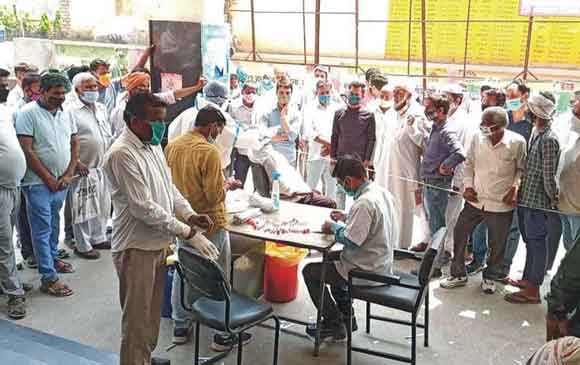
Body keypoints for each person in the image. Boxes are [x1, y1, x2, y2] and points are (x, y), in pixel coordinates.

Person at [103, 91, 213, 365]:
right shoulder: (121, 154)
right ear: (135, 120)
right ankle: (134, 360)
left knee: (151, 316)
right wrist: (186, 232)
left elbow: (169, 188)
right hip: (136, 247)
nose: (161, 126)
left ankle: (143, 359)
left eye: (163, 120)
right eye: (156, 121)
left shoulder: (151, 145)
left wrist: (190, 215)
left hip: (158, 245)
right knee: (137, 322)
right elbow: (143, 207)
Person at [166, 105, 252, 351]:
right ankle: (221, 334)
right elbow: (214, 196)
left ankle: (180, 326)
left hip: (183, 223)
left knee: (185, 272)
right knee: (218, 277)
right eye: (219, 129)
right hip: (210, 223)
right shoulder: (209, 151)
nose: (218, 134)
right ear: (212, 125)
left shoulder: (172, 145)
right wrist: (227, 185)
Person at [302, 155, 397, 341]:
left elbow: (352, 240)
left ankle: (333, 323)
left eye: (340, 183)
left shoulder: (364, 203)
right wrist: (347, 217)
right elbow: (370, 222)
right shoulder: (379, 192)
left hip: (367, 269)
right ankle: (347, 317)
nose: (341, 187)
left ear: (348, 180)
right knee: (329, 259)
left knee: (310, 271)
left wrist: (333, 227)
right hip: (379, 260)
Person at [439, 107, 526, 294]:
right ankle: (458, 274)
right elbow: (469, 164)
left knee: (498, 244)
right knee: (460, 231)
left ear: (501, 127)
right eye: (483, 126)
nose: (485, 130)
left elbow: (521, 169)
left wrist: (515, 187)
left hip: (500, 204)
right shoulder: (477, 138)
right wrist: (468, 186)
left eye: (489, 127)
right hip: (475, 200)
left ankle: (490, 277)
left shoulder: (517, 142)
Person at [15, 73, 78, 297]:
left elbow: (73, 143)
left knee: (54, 223)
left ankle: (51, 259)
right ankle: (48, 277)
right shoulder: (27, 114)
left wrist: (69, 173)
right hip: (37, 184)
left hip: (62, 182)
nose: (60, 97)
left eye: (63, 93)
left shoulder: (66, 112)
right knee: (41, 230)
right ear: (42, 91)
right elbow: (27, 150)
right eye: (56, 93)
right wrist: (48, 178)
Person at [505, 92, 560, 304]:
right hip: (527, 200)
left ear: (536, 111)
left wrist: (552, 201)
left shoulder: (549, 140)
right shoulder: (538, 132)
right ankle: (527, 280)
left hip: (537, 203)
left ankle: (533, 290)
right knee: (530, 242)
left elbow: (549, 178)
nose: (526, 110)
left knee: (537, 244)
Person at [65, 72, 113, 259]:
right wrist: (76, 162)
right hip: (83, 169)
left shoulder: (101, 108)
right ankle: (83, 245)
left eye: (95, 86)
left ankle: (98, 238)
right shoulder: (70, 110)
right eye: (88, 87)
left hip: (101, 166)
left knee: (102, 205)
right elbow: (65, 138)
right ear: (77, 90)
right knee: (83, 209)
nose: (93, 90)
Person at [418, 93, 466, 267]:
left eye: (429, 107)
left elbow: (460, 153)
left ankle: (434, 265)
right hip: (430, 183)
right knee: (434, 225)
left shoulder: (446, 131)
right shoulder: (435, 128)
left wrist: (446, 165)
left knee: (437, 227)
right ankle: (433, 261)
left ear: (440, 110)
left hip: (438, 185)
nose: (426, 110)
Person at [385, 82, 427, 249]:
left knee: (406, 208)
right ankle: (394, 241)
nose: (395, 95)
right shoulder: (394, 113)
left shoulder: (416, 114)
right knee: (393, 205)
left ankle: (402, 245)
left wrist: (411, 127)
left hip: (407, 170)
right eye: (394, 92)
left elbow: (423, 142)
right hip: (391, 169)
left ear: (409, 95)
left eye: (400, 92)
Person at [109, 71, 207, 139]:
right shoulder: (121, 110)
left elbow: (173, 95)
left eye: (147, 86)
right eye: (142, 86)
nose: (145, 89)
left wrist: (196, 87)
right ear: (131, 88)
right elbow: (120, 134)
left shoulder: (148, 100)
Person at [0, 87, 28, 319]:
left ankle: (8, 281)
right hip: (1, 188)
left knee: (7, 239)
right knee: (3, 244)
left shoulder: (4, 111)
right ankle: (13, 293)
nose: (5, 86)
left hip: (14, 185)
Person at [330, 80, 376, 209]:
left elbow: (371, 139)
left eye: (357, 95)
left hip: (358, 162)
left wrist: (367, 160)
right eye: (351, 93)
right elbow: (334, 135)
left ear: (362, 96)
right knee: (340, 190)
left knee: (358, 190)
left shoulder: (369, 115)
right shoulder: (339, 113)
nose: (353, 97)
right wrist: (333, 157)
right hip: (341, 159)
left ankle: (356, 215)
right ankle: (339, 215)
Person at [303, 80, 341, 199]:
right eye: (322, 93)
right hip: (316, 155)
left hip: (332, 156)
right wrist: (329, 144)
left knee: (332, 190)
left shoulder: (337, 108)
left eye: (327, 92)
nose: (325, 95)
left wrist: (331, 148)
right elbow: (309, 131)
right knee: (310, 189)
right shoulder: (309, 108)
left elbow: (340, 131)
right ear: (317, 93)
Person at [259, 79, 302, 166]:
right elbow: (263, 136)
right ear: (276, 93)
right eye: (281, 92)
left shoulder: (296, 114)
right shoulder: (267, 112)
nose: (284, 96)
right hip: (271, 159)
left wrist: (283, 117)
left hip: (289, 159)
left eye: (287, 93)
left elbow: (293, 136)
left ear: (291, 94)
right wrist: (285, 136)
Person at [557, 98, 580, 249]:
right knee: (568, 246)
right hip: (564, 204)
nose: (573, 117)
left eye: (577, 113)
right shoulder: (574, 138)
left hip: (577, 208)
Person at [229, 82, 258, 185]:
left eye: (253, 92)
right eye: (248, 92)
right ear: (242, 92)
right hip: (241, 152)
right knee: (239, 182)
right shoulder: (233, 106)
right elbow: (230, 126)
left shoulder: (260, 107)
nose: (250, 95)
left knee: (259, 185)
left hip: (257, 152)